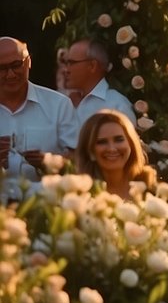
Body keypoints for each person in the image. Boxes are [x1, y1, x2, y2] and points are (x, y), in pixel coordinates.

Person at [0, 37, 79, 198]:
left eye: (16, 65)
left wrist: (49, 161)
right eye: (1, 68)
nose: (10, 74)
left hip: (47, 208)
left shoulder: (59, 105)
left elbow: (79, 159)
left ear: (28, 62)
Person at [75, 109, 156, 198]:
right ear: (89, 150)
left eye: (119, 140)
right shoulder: (79, 195)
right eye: (102, 142)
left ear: (131, 143)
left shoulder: (150, 188)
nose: (112, 149)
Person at [65, 38, 137, 124]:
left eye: (72, 63)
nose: (66, 70)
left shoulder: (117, 105)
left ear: (92, 66)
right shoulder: (65, 104)